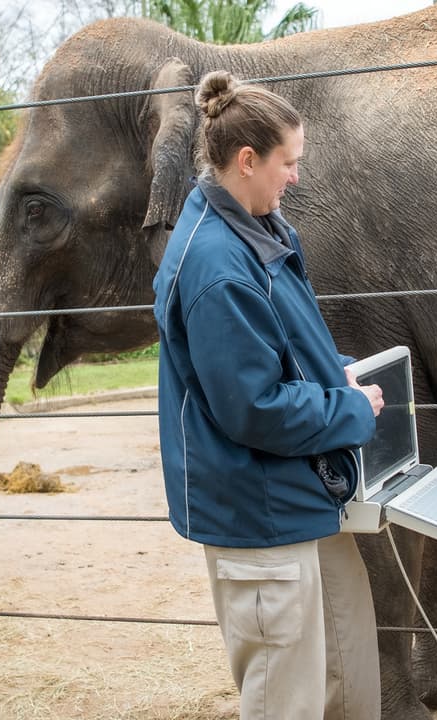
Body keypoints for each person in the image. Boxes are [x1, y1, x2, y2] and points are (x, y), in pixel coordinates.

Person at [152, 71, 385, 719]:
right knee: (287, 697)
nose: (296, 178)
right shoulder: (218, 267)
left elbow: (287, 342)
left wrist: (337, 371)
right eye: (290, 162)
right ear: (247, 160)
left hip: (301, 492)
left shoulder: (264, 233)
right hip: (259, 512)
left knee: (343, 674)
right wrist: (348, 411)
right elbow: (251, 407)